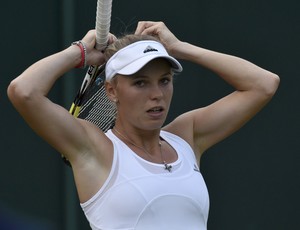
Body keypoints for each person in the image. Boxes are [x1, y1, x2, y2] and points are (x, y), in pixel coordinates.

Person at [7, 21, 280, 229]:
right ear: (112, 91)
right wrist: (78, 52)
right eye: (140, 82)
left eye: (164, 80)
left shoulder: (187, 136)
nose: (157, 94)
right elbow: (24, 91)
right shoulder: (94, 147)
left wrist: (180, 49)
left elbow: (264, 84)